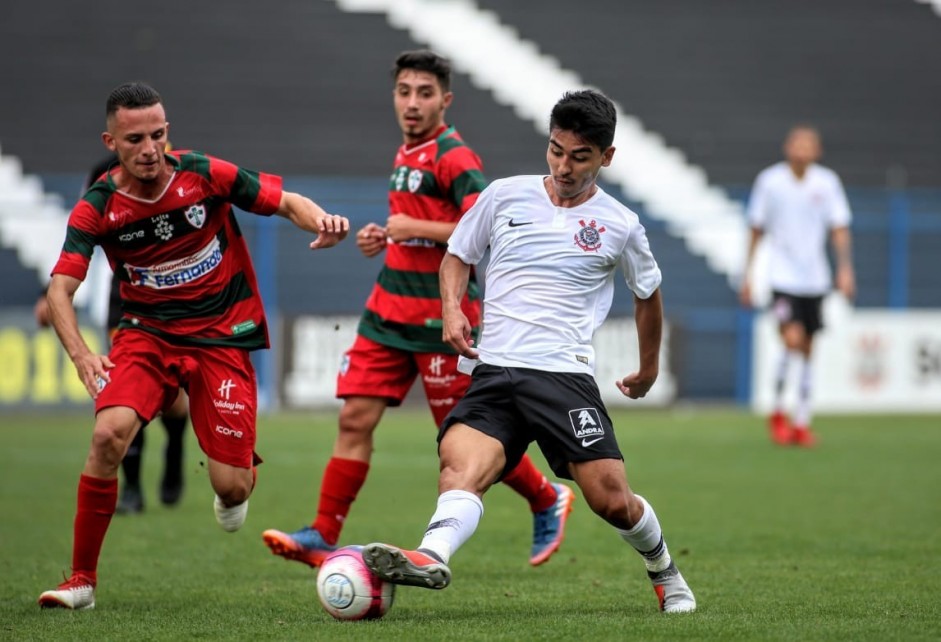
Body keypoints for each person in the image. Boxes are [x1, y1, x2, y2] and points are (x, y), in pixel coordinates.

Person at [360, 89, 697, 614]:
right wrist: (452, 309)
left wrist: (649, 369)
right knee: (459, 467)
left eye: (579, 156)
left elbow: (647, 295)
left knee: (611, 500)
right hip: (494, 369)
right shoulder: (504, 195)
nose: (564, 166)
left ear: (606, 157)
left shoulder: (621, 223)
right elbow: (457, 256)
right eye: (556, 150)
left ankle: (664, 570)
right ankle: (431, 554)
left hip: (562, 376)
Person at [38, 81, 349, 610]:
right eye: (135, 139)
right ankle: (81, 581)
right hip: (146, 335)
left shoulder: (204, 174)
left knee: (232, 488)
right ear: (111, 142)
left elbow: (285, 201)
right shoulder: (98, 206)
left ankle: (231, 480)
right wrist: (82, 355)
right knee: (108, 435)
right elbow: (60, 290)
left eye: (158, 134)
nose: (150, 148)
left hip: (219, 336)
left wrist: (321, 221)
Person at [262, 50, 574, 570]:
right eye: (404, 91)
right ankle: (322, 534)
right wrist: (384, 236)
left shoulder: (455, 157)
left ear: (445, 100)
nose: (412, 102)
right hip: (387, 314)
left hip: (439, 323)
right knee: (354, 419)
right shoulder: (406, 152)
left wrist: (414, 229)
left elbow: (487, 228)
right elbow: (416, 225)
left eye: (424, 93)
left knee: (465, 443)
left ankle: (545, 496)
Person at [35, 152, 189, 514]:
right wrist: (50, 295)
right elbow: (79, 237)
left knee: (175, 397)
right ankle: (133, 490)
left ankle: (177, 445)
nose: (147, 147)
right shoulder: (101, 173)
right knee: (123, 392)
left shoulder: (173, 170)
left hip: (175, 296)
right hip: (125, 297)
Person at [739, 125, 855, 447]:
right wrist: (747, 274)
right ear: (787, 147)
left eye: (809, 145)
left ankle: (802, 421)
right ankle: (778, 413)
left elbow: (839, 227)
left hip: (815, 279)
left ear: (817, 151)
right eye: (797, 143)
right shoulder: (770, 181)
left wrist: (845, 269)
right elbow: (755, 229)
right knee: (792, 339)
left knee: (808, 348)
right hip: (782, 278)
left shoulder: (827, 182)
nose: (802, 150)